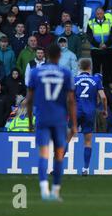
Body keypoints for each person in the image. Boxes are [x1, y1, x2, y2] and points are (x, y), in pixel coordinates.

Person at [26, 44, 77, 201]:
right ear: (60, 56)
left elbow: (29, 100)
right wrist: (74, 124)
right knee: (59, 155)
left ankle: (43, 190)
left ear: (46, 55)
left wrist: (30, 122)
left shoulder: (35, 72)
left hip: (42, 118)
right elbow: (71, 100)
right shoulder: (66, 73)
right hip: (59, 119)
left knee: (43, 154)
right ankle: (55, 191)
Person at [74, 58, 107, 176]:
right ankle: (85, 168)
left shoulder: (74, 80)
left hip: (76, 111)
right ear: (90, 67)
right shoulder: (96, 79)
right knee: (87, 141)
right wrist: (105, 110)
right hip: (90, 112)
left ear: (79, 67)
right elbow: (103, 97)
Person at [86, 7, 112, 84]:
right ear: (95, 14)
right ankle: (95, 84)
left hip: (107, 49)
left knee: (106, 69)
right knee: (96, 69)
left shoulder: (110, 22)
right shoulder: (90, 22)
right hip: (95, 50)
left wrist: (106, 44)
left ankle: (106, 85)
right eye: (97, 14)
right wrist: (98, 45)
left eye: (100, 13)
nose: (99, 15)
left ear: (104, 13)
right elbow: (89, 36)